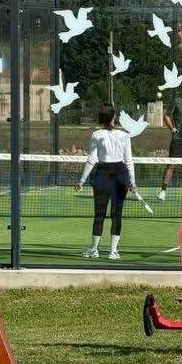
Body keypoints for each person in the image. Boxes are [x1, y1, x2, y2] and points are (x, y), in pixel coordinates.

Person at [75, 102, 137, 260]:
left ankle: (94, 249)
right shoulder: (124, 135)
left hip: (102, 175)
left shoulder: (96, 135)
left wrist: (81, 181)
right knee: (117, 214)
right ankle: (113, 251)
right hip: (120, 174)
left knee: (99, 214)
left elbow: (91, 160)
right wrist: (132, 181)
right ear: (114, 116)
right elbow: (129, 161)